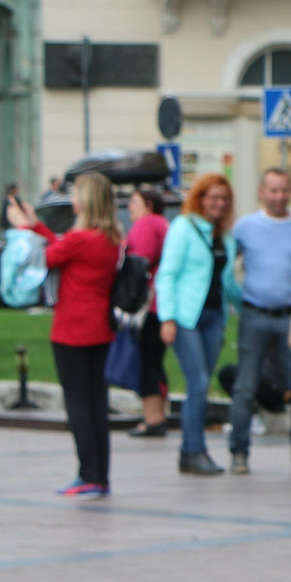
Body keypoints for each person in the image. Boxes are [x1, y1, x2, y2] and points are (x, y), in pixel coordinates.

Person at [8, 173, 121, 498]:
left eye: (76, 195)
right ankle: (100, 475)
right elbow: (62, 248)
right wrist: (35, 225)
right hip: (100, 328)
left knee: (78, 406)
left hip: (72, 329)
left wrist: (23, 228)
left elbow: (48, 258)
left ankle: (87, 473)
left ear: (85, 201)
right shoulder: (110, 237)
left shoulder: (81, 239)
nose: (72, 201)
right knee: (96, 403)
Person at [229, 166, 291, 476]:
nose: (279, 196)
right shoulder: (245, 227)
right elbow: (228, 266)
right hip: (254, 314)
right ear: (261, 192)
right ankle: (239, 452)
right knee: (245, 386)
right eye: (273, 190)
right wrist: (237, 298)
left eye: (284, 190)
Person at [157, 173, 235, 475]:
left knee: (201, 384)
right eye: (213, 197)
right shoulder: (184, 227)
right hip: (187, 317)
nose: (219, 204)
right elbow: (167, 275)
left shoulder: (224, 234)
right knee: (198, 382)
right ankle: (193, 450)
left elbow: (227, 280)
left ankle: (192, 451)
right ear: (200, 198)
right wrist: (168, 318)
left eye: (224, 199)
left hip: (215, 316)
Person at [123, 187, 172, 438]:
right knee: (156, 360)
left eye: (134, 202)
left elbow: (138, 262)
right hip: (163, 303)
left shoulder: (146, 225)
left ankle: (153, 418)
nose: (130, 207)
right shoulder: (163, 224)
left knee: (148, 360)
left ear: (149, 205)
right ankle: (158, 414)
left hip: (149, 304)